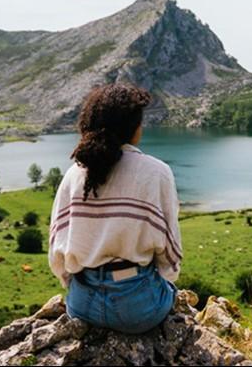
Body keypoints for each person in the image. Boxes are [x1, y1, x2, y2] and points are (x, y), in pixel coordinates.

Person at [48, 83, 182, 334]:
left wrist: (72, 283)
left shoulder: (75, 174)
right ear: (134, 129)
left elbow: (57, 247)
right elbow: (170, 252)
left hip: (82, 304)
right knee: (170, 292)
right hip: (139, 307)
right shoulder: (157, 172)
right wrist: (166, 279)